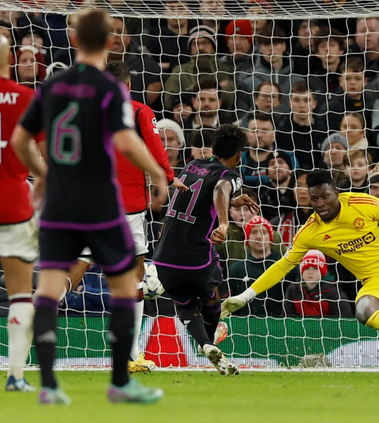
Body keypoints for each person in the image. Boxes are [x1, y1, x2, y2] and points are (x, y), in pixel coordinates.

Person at [12, 10, 166, 404]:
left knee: (47, 287)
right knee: (124, 285)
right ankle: (120, 380)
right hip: (100, 201)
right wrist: (158, 174)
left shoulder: (51, 86)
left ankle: (47, 385)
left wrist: (42, 174)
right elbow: (127, 141)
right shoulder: (110, 88)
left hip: (59, 202)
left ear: (75, 39)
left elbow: (19, 140)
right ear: (112, 41)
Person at [221, 169, 379, 363]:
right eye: (314, 199)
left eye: (325, 196)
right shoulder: (310, 232)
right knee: (365, 311)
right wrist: (245, 296)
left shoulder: (361, 203)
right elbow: (281, 266)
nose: (320, 203)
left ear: (337, 193)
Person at [59, 61, 188, 374]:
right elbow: (156, 148)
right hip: (126, 203)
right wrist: (168, 177)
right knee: (135, 273)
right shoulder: (139, 111)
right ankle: (130, 355)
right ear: (128, 86)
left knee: (84, 259)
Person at [152, 124, 259, 375]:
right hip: (195, 257)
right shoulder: (230, 174)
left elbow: (202, 196)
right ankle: (213, 336)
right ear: (239, 154)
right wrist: (224, 221)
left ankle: (206, 345)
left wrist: (232, 201)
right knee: (211, 296)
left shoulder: (191, 166)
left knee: (185, 304)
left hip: (164, 257)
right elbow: (221, 189)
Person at [0, 35, 43, 392]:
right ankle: (15, 375)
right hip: (13, 202)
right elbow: (45, 153)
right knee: (20, 294)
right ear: (9, 60)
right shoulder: (28, 98)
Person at [228, 216, 296, 317]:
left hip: (281, 326)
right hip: (244, 326)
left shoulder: (286, 266)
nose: (259, 237)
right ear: (247, 238)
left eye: (263, 232)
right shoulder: (237, 269)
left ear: (271, 237)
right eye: (254, 232)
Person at [284, 250, 352, 317]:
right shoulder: (293, 289)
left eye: (315, 268)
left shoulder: (333, 292)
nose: (310, 272)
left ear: (322, 273)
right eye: (306, 268)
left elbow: (345, 319)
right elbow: (286, 316)